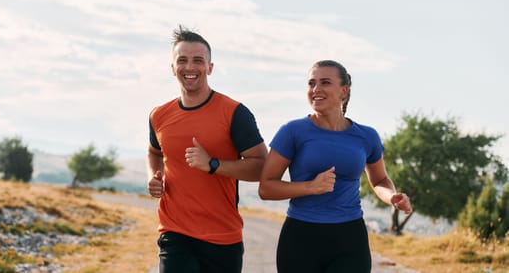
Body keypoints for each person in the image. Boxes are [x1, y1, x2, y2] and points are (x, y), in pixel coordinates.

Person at [258, 59, 412, 273]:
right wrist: (310, 187)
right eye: (311, 83)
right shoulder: (293, 132)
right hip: (301, 237)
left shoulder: (366, 136)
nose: (316, 89)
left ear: (344, 90)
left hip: (349, 237)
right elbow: (266, 188)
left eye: (325, 83)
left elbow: (379, 180)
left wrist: (391, 197)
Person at [147, 25, 268, 273]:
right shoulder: (159, 115)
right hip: (175, 232)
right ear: (172, 68)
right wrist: (154, 176)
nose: (189, 67)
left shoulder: (234, 113)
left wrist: (213, 164)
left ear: (210, 67)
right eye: (182, 60)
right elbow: (154, 152)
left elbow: (260, 167)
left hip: (222, 237)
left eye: (198, 60)